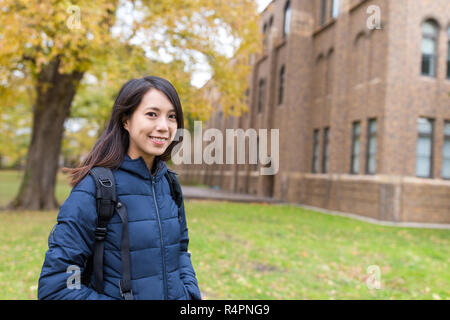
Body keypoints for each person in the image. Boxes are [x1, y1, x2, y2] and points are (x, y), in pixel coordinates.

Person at [38, 76, 202, 300]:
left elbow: (181, 251)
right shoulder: (94, 189)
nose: (164, 127)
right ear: (126, 120)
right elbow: (59, 287)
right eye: (152, 114)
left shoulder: (170, 184)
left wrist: (190, 293)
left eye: (171, 116)